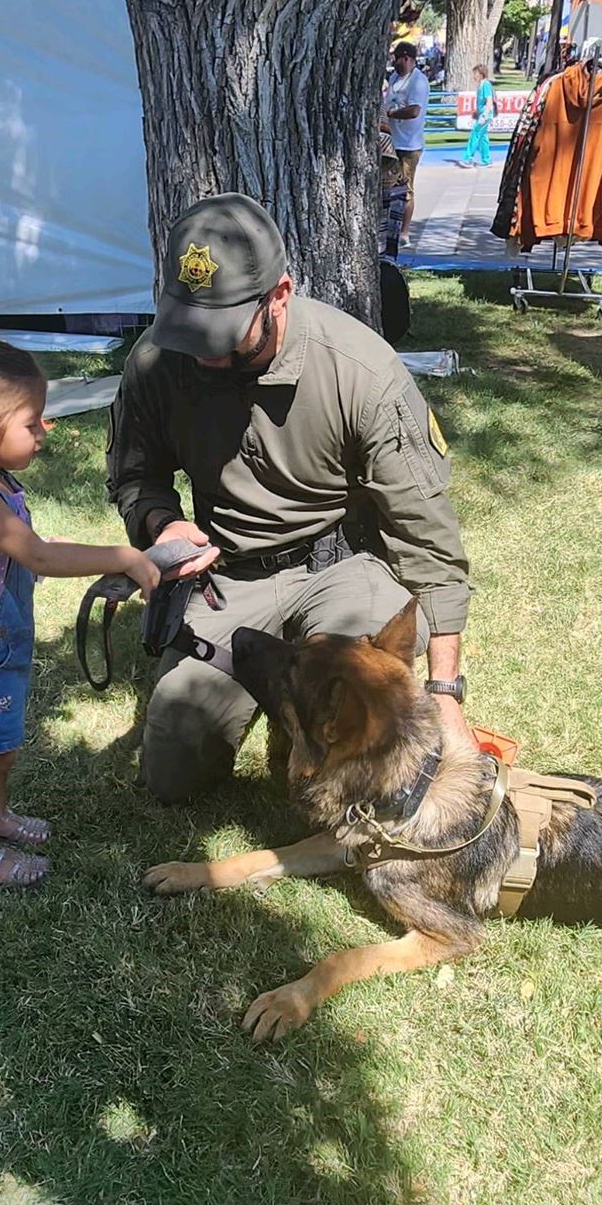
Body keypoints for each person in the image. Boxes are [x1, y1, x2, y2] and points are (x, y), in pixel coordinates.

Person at [106, 194, 472, 803]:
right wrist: (160, 522)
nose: (203, 352)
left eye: (221, 332)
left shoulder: (361, 370)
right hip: (230, 576)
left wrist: (444, 693)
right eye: (190, 328)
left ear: (280, 295)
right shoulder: (158, 362)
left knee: (368, 735)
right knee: (171, 770)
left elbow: (427, 542)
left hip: (339, 569)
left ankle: (302, 707)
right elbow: (133, 474)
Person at [0, 317, 159, 886]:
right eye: (30, 420)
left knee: (1, 749)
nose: (45, 428)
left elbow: (29, 550)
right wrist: (121, 555)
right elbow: (38, 559)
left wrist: (86, 551)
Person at [380, 40, 429, 214]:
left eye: (397, 59)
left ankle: (404, 232)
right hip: (391, 142)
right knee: (387, 186)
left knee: (406, 189)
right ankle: (389, 225)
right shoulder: (394, 77)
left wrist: (391, 114)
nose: (394, 63)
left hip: (409, 145)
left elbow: (414, 111)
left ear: (406, 58)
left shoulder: (418, 81)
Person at [459, 65, 496, 167]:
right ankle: (486, 159)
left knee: (475, 134)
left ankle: (468, 158)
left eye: (475, 74)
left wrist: (484, 115)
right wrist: (477, 112)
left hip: (485, 115)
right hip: (482, 114)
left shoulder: (486, 85)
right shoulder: (480, 86)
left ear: (481, 74)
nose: (474, 76)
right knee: (482, 137)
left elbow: (489, 101)